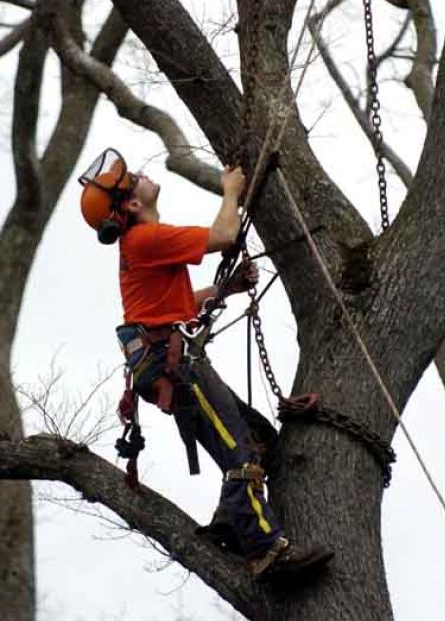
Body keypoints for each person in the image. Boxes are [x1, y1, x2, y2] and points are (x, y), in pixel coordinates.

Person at [78, 148, 333, 581]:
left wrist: (226, 288)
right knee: (239, 453)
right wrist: (230, 190)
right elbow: (224, 235)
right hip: (174, 365)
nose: (143, 174)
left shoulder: (146, 247)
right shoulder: (145, 239)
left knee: (255, 436)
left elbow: (172, 309)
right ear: (134, 205)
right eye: (136, 177)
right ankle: (266, 551)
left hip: (171, 361)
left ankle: (230, 522)